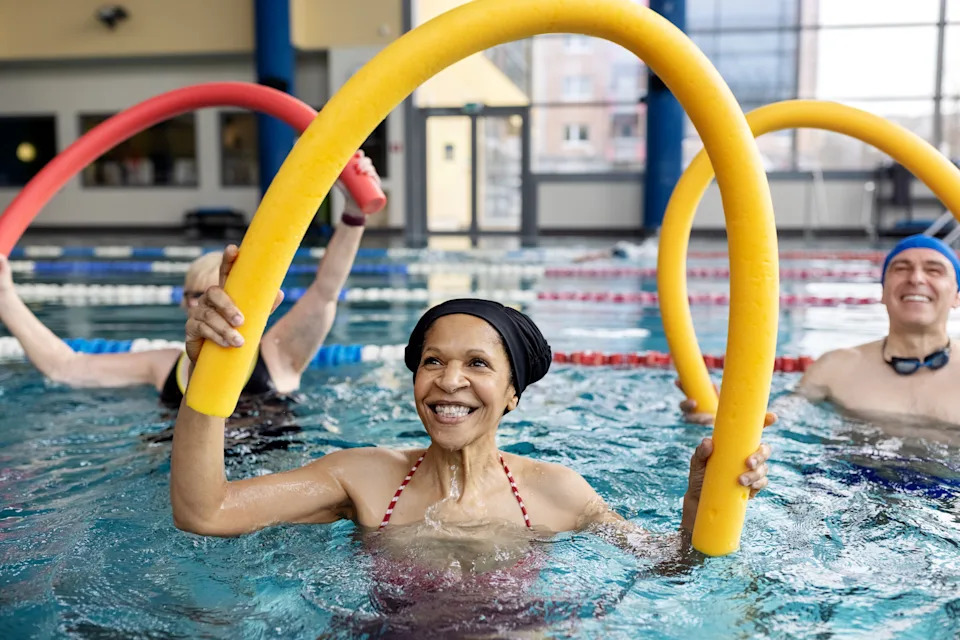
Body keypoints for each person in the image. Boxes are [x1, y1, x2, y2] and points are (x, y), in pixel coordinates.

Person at [170, 272, 772, 541]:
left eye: (478, 364)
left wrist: (701, 495)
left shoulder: (560, 493)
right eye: (432, 362)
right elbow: (207, 512)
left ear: (512, 394)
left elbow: (675, 570)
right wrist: (211, 373)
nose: (448, 381)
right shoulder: (362, 476)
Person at [0, 153, 381, 408]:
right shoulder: (162, 365)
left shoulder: (279, 354)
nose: (210, 303)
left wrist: (352, 213)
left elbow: (326, 291)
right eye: (198, 295)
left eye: (221, 292)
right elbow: (65, 367)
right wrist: (5, 297)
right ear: (184, 303)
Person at [680, 234, 960, 427]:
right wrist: (720, 417)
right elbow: (776, 422)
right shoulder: (836, 367)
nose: (916, 278)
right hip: (856, 490)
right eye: (901, 268)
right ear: (883, 292)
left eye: (934, 270)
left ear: (957, 295)